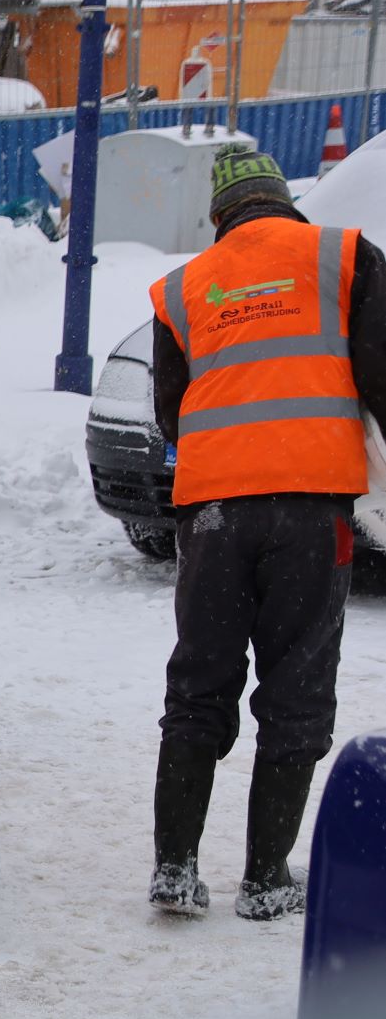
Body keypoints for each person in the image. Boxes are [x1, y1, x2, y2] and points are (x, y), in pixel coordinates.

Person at [146, 145, 386, 919]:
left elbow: (169, 411)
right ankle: (264, 878)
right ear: (284, 200)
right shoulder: (341, 256)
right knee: (296, 688)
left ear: (218, 216)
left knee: (197, 686)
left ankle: (173, 871)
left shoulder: (182, 288)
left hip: (212, 514)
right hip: (310, 512)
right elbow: (381, 375)